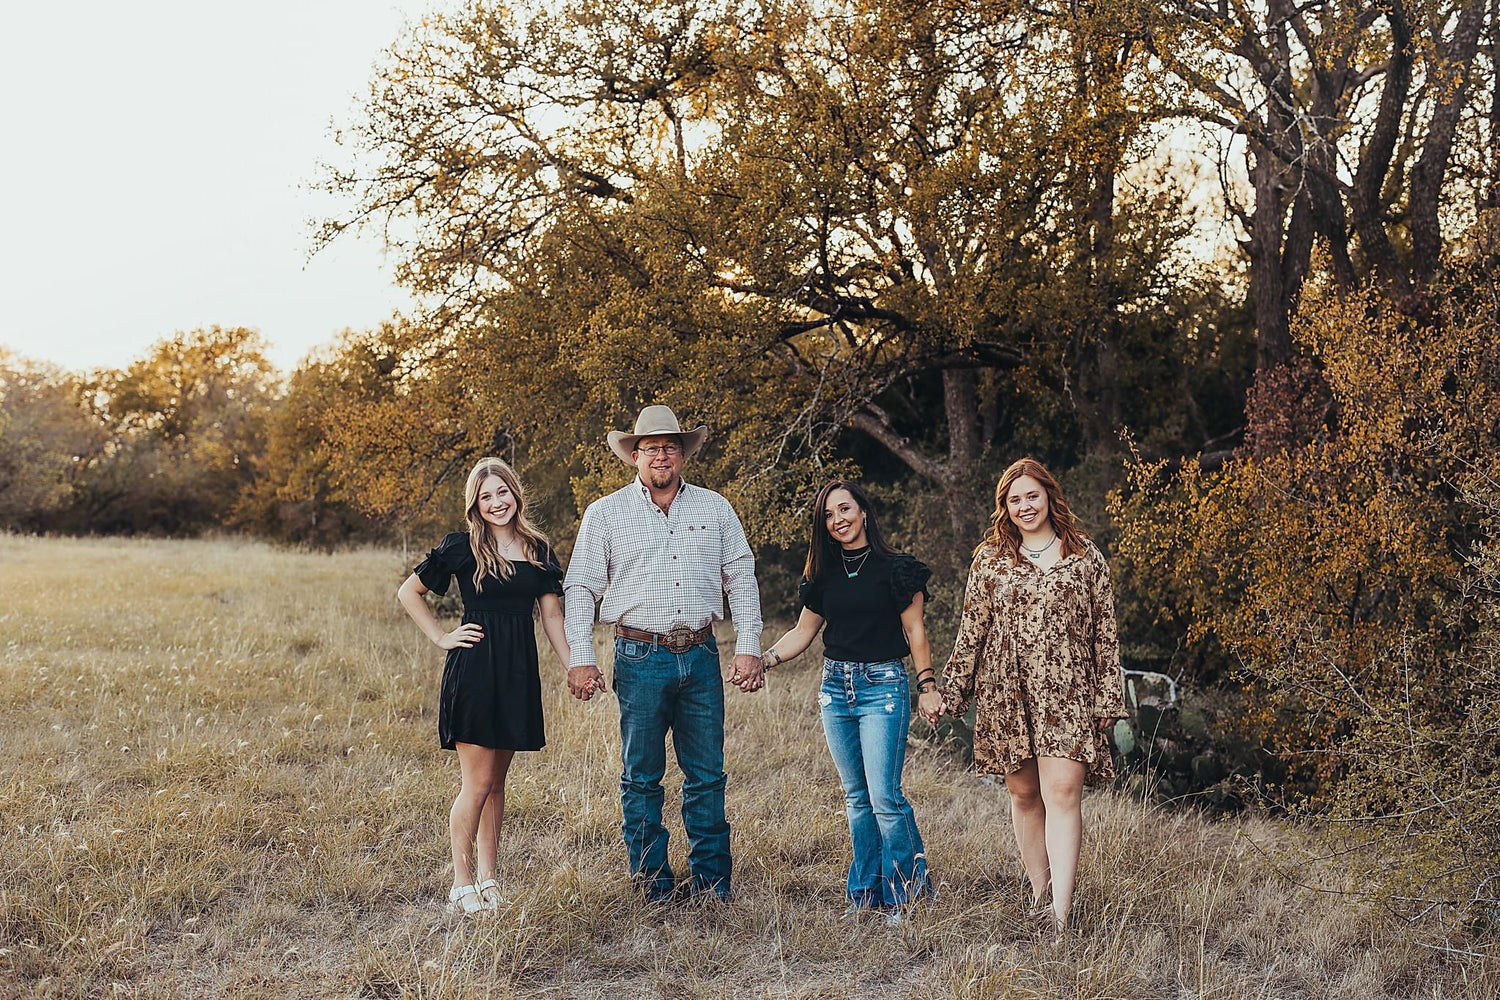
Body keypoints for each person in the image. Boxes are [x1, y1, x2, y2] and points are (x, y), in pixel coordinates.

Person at [563, 404, 764, 903]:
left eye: (669, 447)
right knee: (641, 775)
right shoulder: (605, 513)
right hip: (639, 654)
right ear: (634, 455)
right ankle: (652, 883)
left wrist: (750, 647)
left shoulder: (715, 508)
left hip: (700, 655)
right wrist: (580, 657)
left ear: (682, 455)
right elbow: (582, 588)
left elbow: (741, 578)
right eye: (650, 448)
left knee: (707, 775)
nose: (660, 456)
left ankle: (713, 886)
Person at [934, 457, 1126, 933]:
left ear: (1049, 497)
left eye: (1032, 496)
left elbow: (1106, 632)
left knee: (1063, 792)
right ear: (1005, 506)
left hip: (1068, 691)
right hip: (1007, 691)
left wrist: (1108, 696)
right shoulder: (991, 559)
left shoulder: (1085, 557)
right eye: (1015, 499)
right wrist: (951, 693)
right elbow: (971, 630)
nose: (1025, 506)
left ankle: (1061, 913)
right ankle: (1039, 894)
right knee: (1023, 795)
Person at [761, 480, 941, 921]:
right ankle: (864, 895)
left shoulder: (898, 568)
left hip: (883, 687)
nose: (837, 519)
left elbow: (915, 631)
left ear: (863, 512)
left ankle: (905, 895)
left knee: (885, 796)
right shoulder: (823, 573)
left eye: (845, 509)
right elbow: (804, 632)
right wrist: (764, 659)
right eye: (828, 514)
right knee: (857, 797)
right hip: (835, 690)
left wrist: (928, 686)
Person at [397, 457, 570, 914]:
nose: (496, 503)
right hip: (474, 669)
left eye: (502, 492)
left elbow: (552, 615)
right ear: (475, 504)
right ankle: (461, 882)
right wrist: (441, 636)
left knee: (497, 785)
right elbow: (407, 593)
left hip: (516, 672)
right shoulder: (462, 546)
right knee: (476, 783)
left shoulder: (538, 548)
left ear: (515, 493)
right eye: (485, 496)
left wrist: (575, 665)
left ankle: (491, 879)